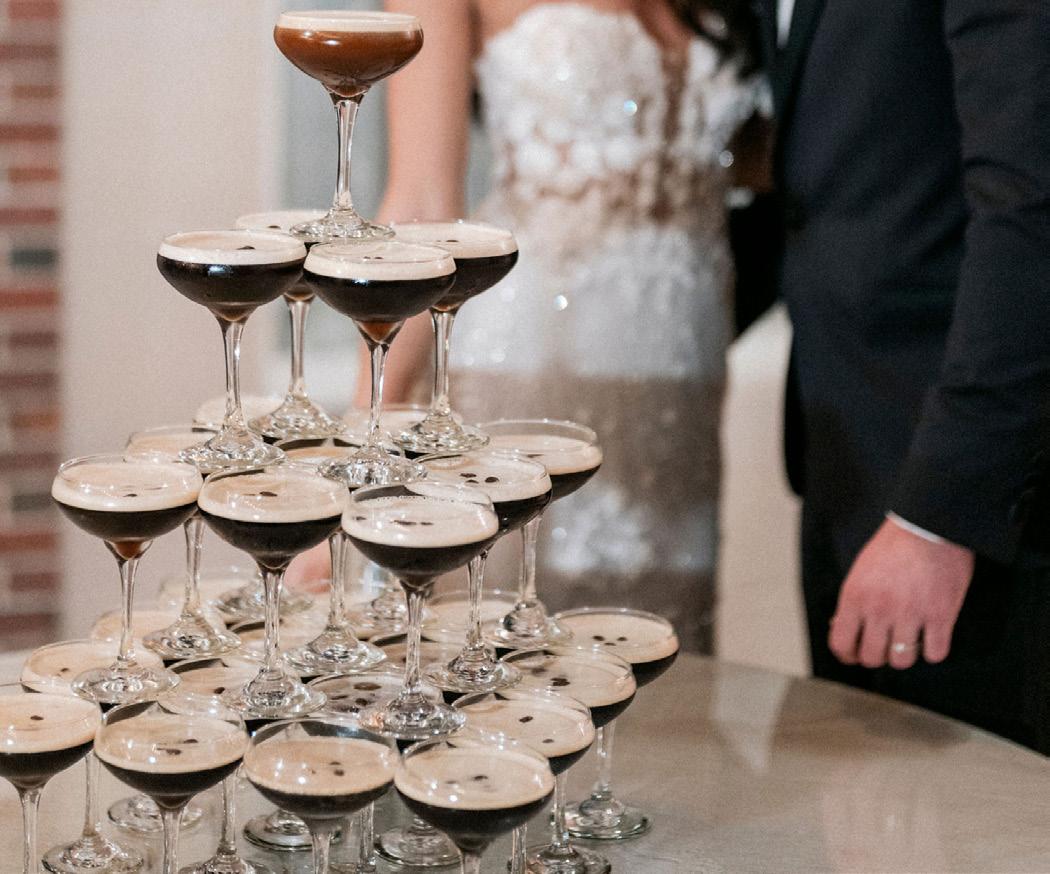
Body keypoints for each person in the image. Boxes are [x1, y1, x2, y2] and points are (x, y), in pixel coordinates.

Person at [332, 0, 766, 654]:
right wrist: (363, 443)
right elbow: (423, 202)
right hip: (526, 368)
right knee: (505, 657)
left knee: (660, 660)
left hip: (680, 390)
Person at [756, 1, 1050, 749]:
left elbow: (1030, 208)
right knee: (852, 801)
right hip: (844, 463)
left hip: (973, 513)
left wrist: (937, 519)